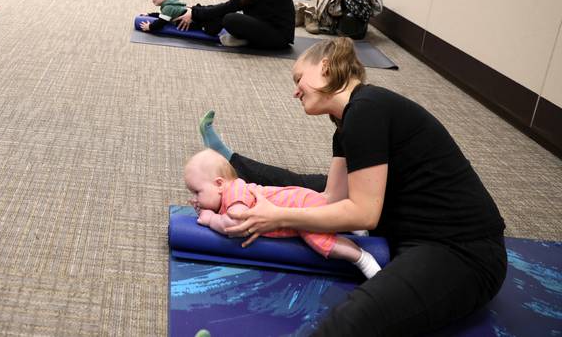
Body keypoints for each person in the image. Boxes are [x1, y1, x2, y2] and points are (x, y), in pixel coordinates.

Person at [197, 38, 507, 336]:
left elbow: (363, 214)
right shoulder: (350, 121)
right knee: (308, 186)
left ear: (326, 68)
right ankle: (233, 162)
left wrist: (278, 217)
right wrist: (271, 204)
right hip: (407, 229)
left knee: (355, 318)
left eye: (299, 78)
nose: (295, 92)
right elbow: (330, 198)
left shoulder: (367, 110)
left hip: (464, 252)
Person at [184, 148, 381, 279]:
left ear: (219, 184)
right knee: (323, 222)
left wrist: (211, 219)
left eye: (197, 192)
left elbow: (235, 226)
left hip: (301, 205)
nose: (195, 198)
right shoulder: (229, 194)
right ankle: (353, 227)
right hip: (302, 200)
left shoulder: (235, 192)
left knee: (319, 240)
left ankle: (361, 257)